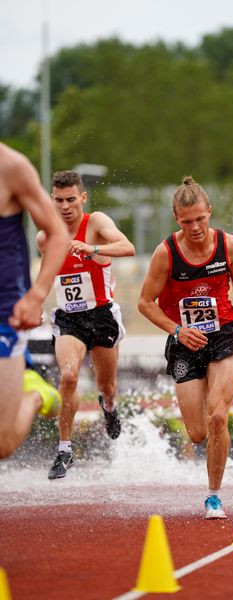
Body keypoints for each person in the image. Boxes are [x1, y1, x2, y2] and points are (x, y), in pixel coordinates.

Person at [138, 175, 233, 519]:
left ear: (210, 212)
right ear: (176, 219)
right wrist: (178, 330)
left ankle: (213, 496)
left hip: (223, 333)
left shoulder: (230, 246)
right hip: (185, 343)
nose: (194, 227)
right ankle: (211, 428)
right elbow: (145, 303)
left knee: (219, 416)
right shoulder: (166, 254)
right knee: (196, 434)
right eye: (186, 221)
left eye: (200, 219)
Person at [37, 170, 135, 480]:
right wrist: (35, 303)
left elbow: (127, 246)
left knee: (107, 386)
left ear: (82, 197)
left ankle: (108, 407)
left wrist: (93, 249)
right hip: (69, 319)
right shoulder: (45, 237)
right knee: (68, 376)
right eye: (58, 200)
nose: (64, 206)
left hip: (102, 314)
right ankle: (65, 450)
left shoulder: (96, 223)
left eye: (70, 199)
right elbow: (46, 274)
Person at [0, 142, 69, 459]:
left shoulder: (11, 166)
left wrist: (36, 295)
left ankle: (33, 394)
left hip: (6, 311)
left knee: (3, 444)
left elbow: (58, 233)